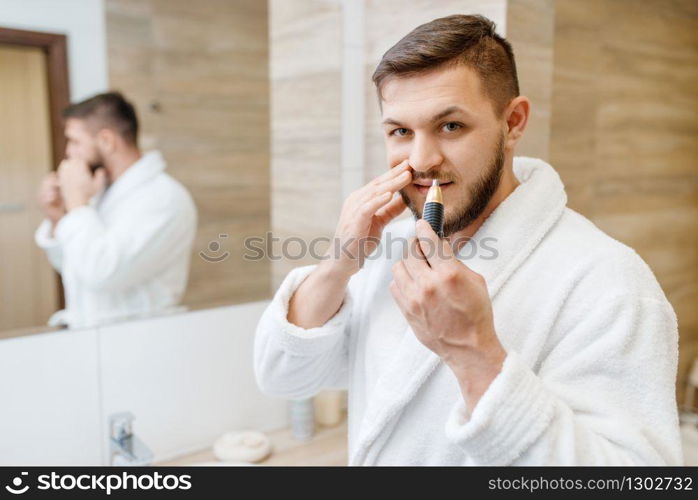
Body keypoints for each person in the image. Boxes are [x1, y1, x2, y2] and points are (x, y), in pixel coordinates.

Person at [253, 15, 683, 465]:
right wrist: (339, 263)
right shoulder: (391, 248)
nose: (421, 160)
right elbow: (283, 377)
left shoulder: (609, 282)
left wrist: (472, 350)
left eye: (450, 126)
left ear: (513, 122)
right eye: (401, 131)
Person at [35, 92, 197, 328]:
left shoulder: (162, 199)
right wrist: (58, 217)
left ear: (107, 141)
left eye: (75, 141)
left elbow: (101, 273)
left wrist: (77, 203)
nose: (69, 152)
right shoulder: (101, 193)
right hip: (99, 339)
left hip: (138, 340)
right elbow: (73, 265)